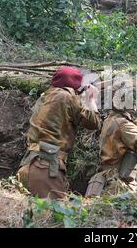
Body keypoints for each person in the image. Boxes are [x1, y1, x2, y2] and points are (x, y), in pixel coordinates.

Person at [17, 67, 101, 199]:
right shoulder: (67, 97)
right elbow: (94, 122)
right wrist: (91, 100)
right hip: (46, 169)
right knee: (56, 216)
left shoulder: (46, 96)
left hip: (29, 164)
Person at [85, 80, 137, 197]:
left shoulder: (110, 120)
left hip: (102, 184)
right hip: (116, 189)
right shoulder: (124, 126)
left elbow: (127, 134)